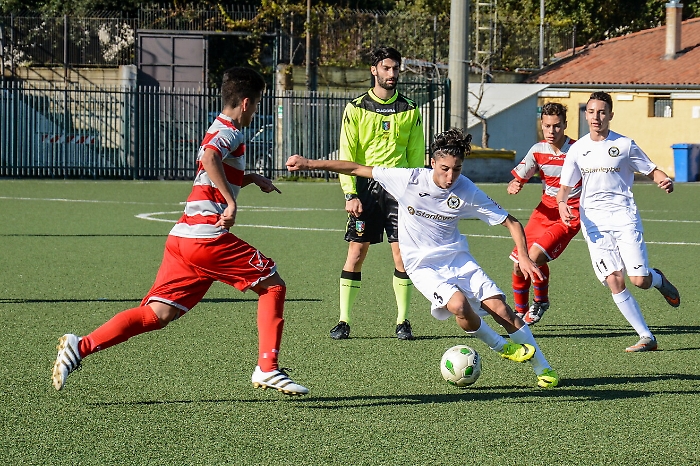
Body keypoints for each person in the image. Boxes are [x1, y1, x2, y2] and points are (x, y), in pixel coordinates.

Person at [52, 67, 309, 395]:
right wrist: (231, 203)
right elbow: (210, 157)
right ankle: (267, 368)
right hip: (206, 238)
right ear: (246, 103)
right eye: (257, 104)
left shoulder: (217, 125)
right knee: (272, 285)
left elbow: (211, 169)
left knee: (158, 314)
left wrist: (251, 178)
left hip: (182, 238)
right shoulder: (230, 131)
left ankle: (80, 346)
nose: (255, 111)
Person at [287, 128, 560, 388]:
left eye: (457, 169)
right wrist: (308, 163)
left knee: (501, 309)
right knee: (459, 305)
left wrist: (524, 256)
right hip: (422, 265)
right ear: (432, 163)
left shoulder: (466, 189)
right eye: (444, 169)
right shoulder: (409, 179)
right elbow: (357, 168)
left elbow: (511, 222)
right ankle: (502, 347)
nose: (450, 176)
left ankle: (543, 368)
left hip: (458, 258)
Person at [557, 91, 680, 353]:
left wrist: (663, 179)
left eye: (602, 112)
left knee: (639, 280)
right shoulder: (577, 149)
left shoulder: (624, 145)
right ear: (586, 115)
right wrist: (562, 204)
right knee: (614, 279)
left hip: (624, 217)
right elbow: (564, 188)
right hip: (594, 222)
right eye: (591, 112)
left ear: (610, 115)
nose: (596, 117)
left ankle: (658, 279)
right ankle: (646, 336)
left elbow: (651, 169)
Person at [331, 45, 426, 341]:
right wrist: (350, 194)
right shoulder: (356, 108)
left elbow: (416, 155)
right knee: (356, 253)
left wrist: (416, 193)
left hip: (400, 191)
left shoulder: (410, 109)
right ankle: (344, 320)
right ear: (374, 70)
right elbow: (347, 152)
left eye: (395, 68)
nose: (392, 73)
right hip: (365, 191)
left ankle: (402, 321)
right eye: (386, 68)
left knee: (401, 256)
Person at [506, 102, 581, 325]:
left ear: (565, 125)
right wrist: (515, 184)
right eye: (547, 126)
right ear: (541, 125)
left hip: (569, 214)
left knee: (533, 257)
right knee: (519, 263)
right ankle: (520, 311)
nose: (551, 131)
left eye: (556, 126)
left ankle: (540, 301)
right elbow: (521, 176)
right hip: (544, 212)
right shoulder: (537, 150)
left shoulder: (578, 150)